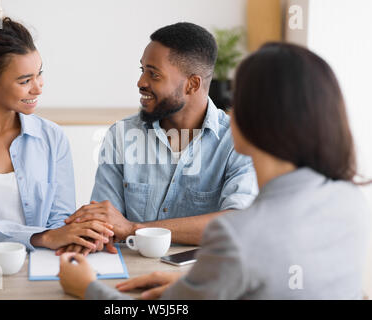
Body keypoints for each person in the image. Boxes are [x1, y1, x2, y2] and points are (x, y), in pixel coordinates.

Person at [58, 42, 371, 299]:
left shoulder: (238, 236)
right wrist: (201, 284)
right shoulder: (351, 200)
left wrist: (87, 289)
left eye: (237, 101)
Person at [57, 22, 257, 256]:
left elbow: (239, 224)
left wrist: (134, 229)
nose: (141, 82)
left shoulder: (238, 141)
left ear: (192, 84)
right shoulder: (121, 136)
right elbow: (105, 222)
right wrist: (92, 233)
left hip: (201, 278)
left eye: (153, 74)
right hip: (129, 273)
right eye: (142, 70)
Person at [0, 0, 113, 252]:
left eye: (39, 73)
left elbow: (61, 218)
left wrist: (75, 239)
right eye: (25, 80)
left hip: (43, 263)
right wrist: (43, 237)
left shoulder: (52, 137)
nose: (38, 87)